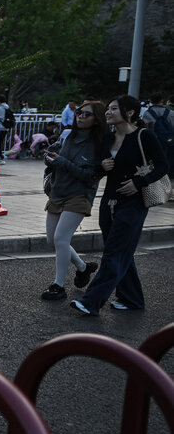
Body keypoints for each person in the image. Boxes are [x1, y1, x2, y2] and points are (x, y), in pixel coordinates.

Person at [72, 95, 169, 315]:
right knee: (120, 251)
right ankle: (132, 298)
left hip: (133, 204)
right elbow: (97, 170)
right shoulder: (108, 139)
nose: (108, 112)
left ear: (130, 112)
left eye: (114, 109)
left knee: (113, 253)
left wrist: (139, 182)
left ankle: (91, 302)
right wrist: (102, 166)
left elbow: (163, 166)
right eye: (108, 109)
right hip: (108, 202)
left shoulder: (144, 136)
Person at [39, 100, 104, 301]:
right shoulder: (67, 135)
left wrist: (61, 161)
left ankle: (58, 286)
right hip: (57, 192)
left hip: (79, 195)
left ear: (96, 120)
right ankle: (84, 267)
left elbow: (89, 176)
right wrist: (49, 158)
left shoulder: (99, 145)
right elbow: (53, 156)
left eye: (87, 114)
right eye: (80, 113)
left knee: (60, 239)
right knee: (53, 240)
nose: (81, 117)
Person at [141, 92, 174, 183]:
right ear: (162, 100)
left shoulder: (147, 113)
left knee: (155, 162)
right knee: (169, 161)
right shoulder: (171, 113)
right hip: (169, 141)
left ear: (151, 101)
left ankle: (157, 181)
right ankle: (168, 182)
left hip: (153, 141)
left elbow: (145, 128)